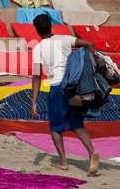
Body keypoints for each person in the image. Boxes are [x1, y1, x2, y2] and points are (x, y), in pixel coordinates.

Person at [30, 14, 99, 176]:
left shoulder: (38, 48)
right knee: (77, 124)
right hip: (73, 86)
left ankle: (63, 162)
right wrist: (91, 70)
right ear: (51, 26)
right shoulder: (65, 39)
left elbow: (37, 75)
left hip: (57, 88)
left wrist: (33, 101)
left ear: (37, 31)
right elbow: (90, 44)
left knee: (55, 127)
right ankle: (91, 153)